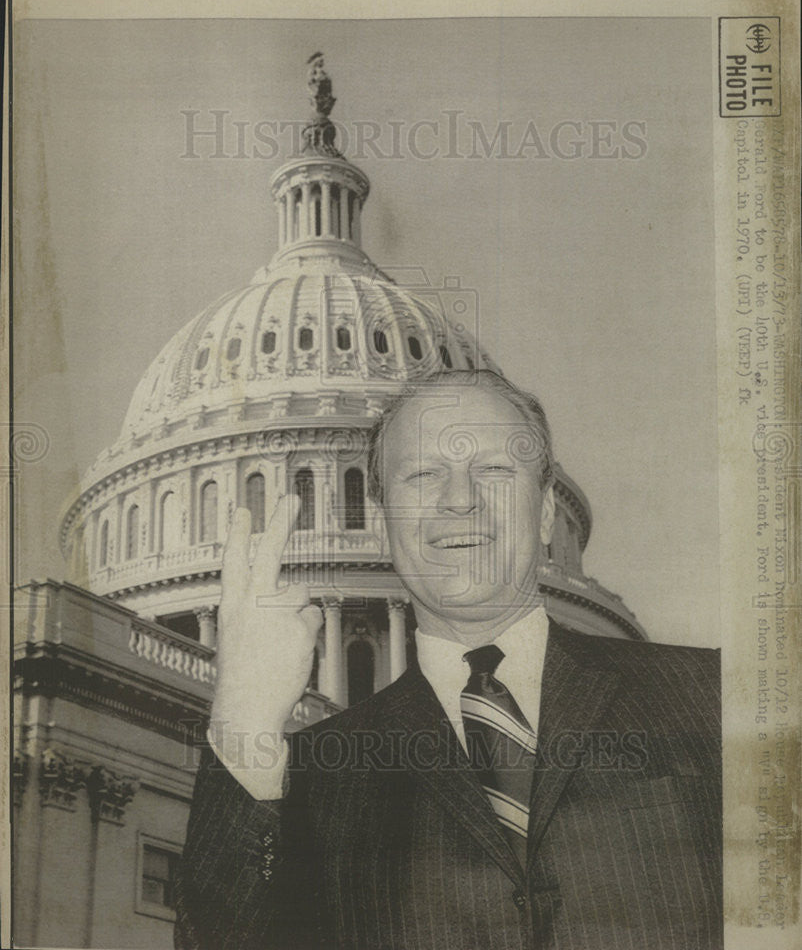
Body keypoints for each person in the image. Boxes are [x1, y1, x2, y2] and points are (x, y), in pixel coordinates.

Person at [175, 369, 722, 950]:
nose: (459, 499)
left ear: (543, 515)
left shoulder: (711, 693)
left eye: (493, 470)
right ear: (381, 523)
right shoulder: (308, 779)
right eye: (423, 476)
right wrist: (243, 723)